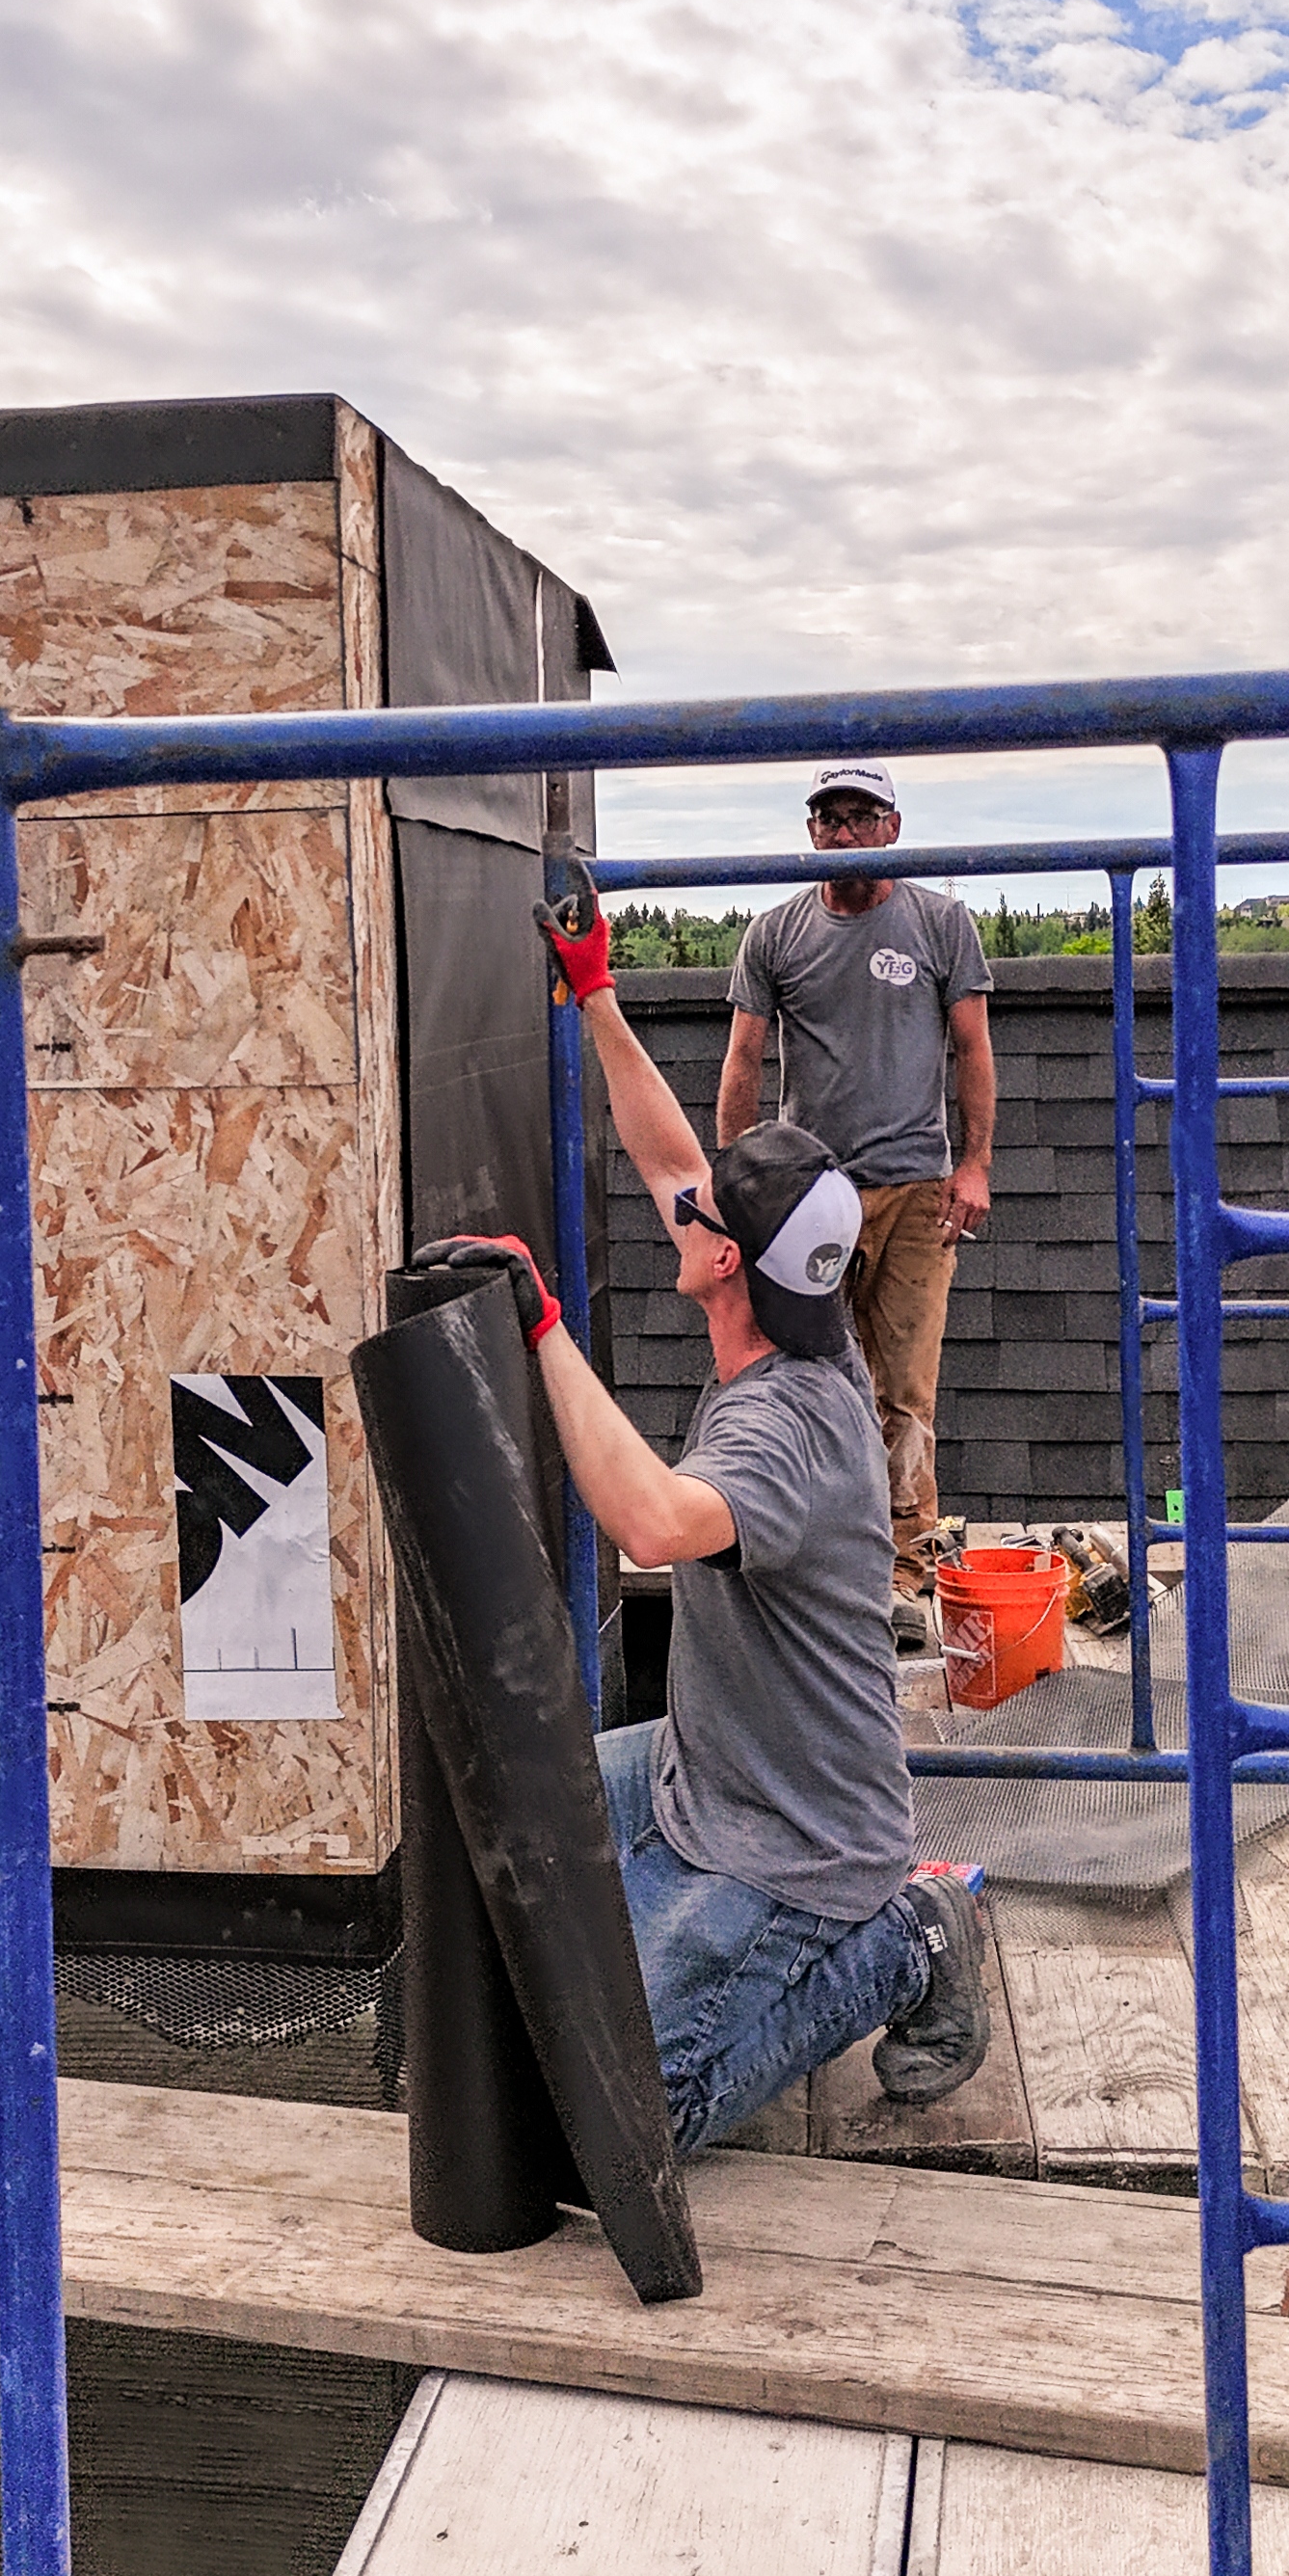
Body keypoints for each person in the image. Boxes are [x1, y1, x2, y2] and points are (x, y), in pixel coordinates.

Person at [412, 861, 989, 2158]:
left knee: (634, 2119)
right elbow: (671, 1149)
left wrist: (543, 1329)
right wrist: (595, 990)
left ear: (724, 1262)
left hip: (796, 1844)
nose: (683, 1195)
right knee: (504, 1811)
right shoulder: (785, 1304)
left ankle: (910, 1938)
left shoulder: (789, 1428)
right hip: (703, 1773)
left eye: (703, 1213)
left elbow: (655, 1529)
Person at [716, 762, 995, 1651]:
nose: (842, 832)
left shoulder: (940, 923)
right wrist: (736, 1186)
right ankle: (822, 1552)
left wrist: (977, 1165)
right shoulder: (777, 934)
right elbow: (744, 1064)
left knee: (905, 1387)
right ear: (812, 834)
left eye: (859, 816)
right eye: (827, 819)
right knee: (808, 1374)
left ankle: (904, 1572)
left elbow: (973, 1051)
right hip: (814, 1192)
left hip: (918, 1188)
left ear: (892, 826)